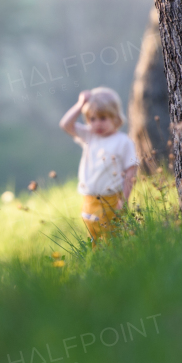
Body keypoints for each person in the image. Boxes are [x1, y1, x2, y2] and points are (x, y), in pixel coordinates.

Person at [59, 87, 138, 246]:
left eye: (103, 118)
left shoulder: (123, 141)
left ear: (115, 117)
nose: (97, 124)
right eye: (92, 119)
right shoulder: (90, 136)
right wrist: (81, 104)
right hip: (89, 199)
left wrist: (124, 200)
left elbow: (131, 172)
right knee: (94, 236)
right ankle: (97, 263)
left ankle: (114, 263)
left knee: (112, 238)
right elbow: (65, 125)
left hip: (111, 199)